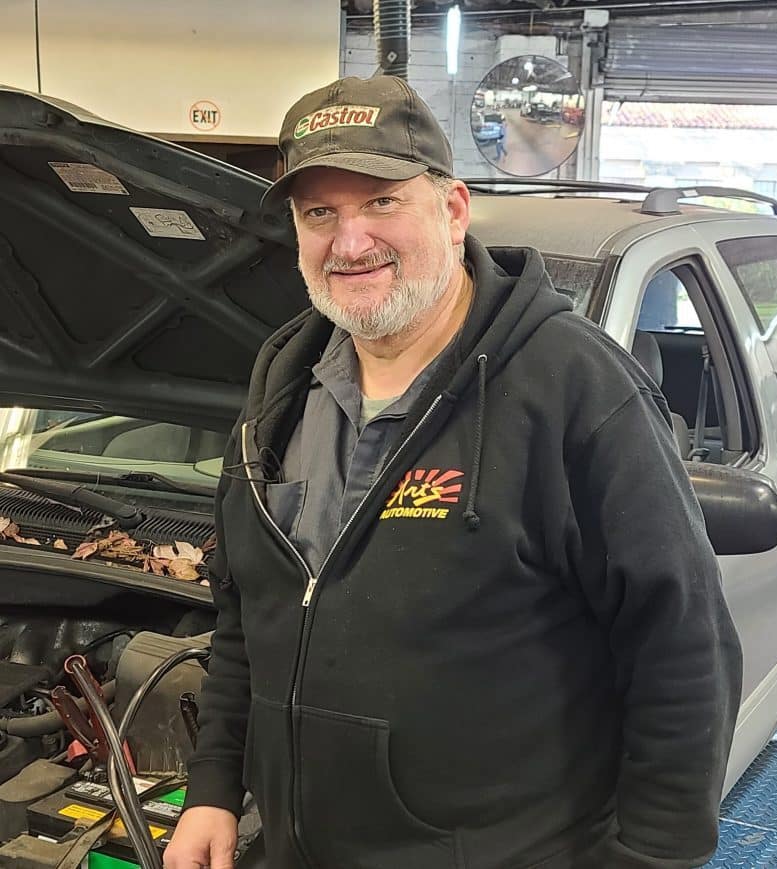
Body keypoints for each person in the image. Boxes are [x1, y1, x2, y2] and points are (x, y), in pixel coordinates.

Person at [164, 74, 742, 869]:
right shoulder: (284, 383)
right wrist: (213, 788)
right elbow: (244, 615)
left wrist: (649, 860)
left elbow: (683, 650)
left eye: (380, 202)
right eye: (319, 213)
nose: (350, 239)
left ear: (454, 208)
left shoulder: (574, 387)